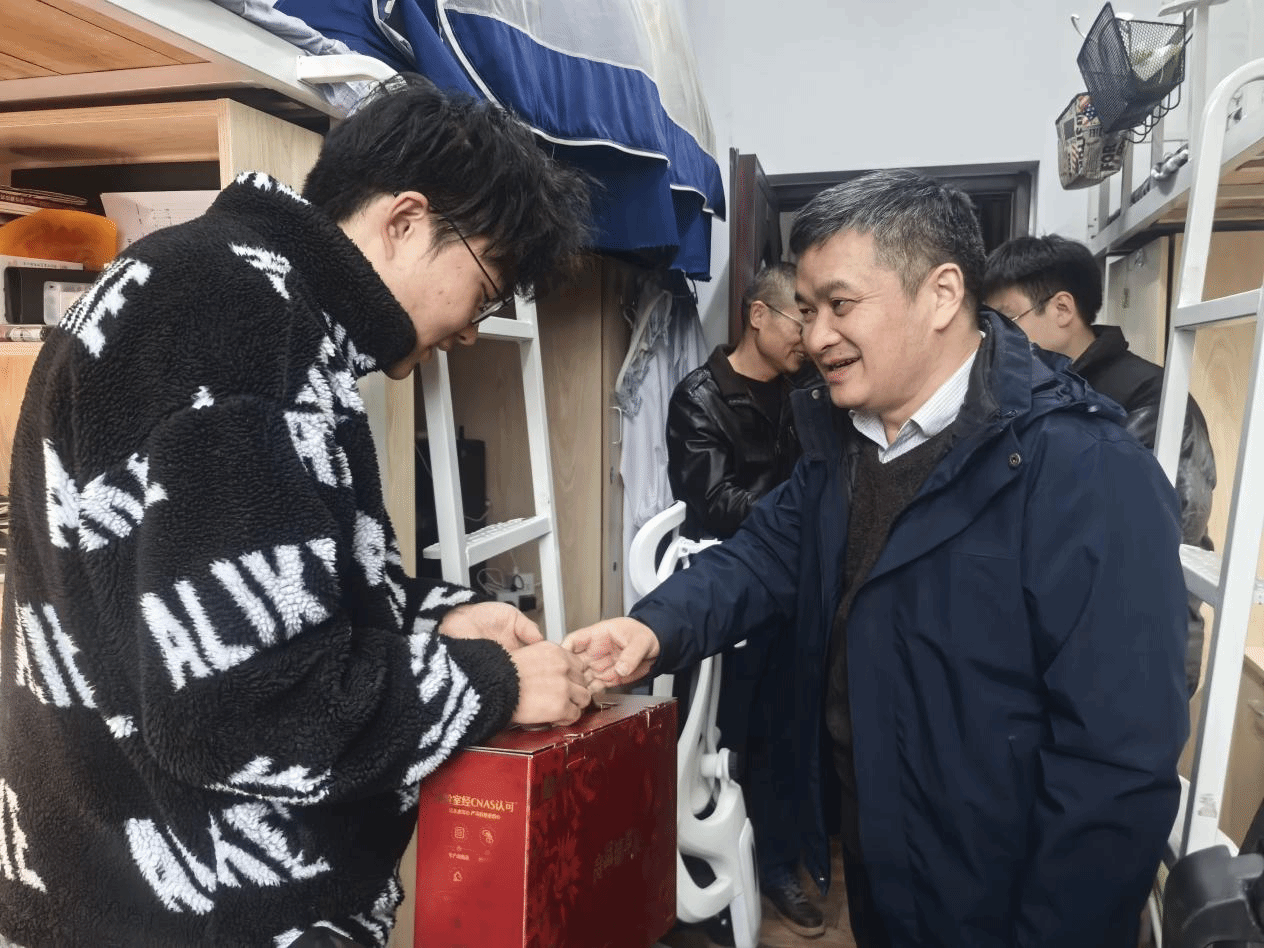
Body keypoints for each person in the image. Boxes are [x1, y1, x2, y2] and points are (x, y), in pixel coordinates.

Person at [0, 74, 593, 948]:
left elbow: (256, 599)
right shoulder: (234, 316)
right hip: (188, 916)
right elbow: (244, 707)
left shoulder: (227, 289)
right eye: (487, 286)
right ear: (406, 220)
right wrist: (489, 685)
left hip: (128, 886)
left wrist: (437, 618)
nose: (473, 328)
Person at [566, 169, 1190, 948]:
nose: (816, 335)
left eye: (840, 304)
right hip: (879, 855)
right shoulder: (844, 445)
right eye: (807, 309)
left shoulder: (1085, 471)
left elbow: (1116, 767)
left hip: (1005, 894)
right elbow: (759, 557)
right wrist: (652, 629)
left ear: (941, 294)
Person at [666, 262, 827, 938]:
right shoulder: (700, 396)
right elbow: (715, 503)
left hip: (793, 590)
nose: (810, 336)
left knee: (788, 732)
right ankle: (704, 882)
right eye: (800, 318)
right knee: (716, 743)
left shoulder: (809, 394)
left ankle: (778, 867)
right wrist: (805, 511)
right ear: (758, 315)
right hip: (729, 593)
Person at [982, 234, 1216, 695]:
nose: (996, 339)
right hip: (1057, 631)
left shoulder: (1150, 397)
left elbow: (1145, 533)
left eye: (1007, 320)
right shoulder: (1024, 390)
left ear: (1062, 309)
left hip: (1134, 640)